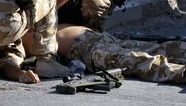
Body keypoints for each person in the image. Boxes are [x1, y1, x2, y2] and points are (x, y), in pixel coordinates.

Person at [55, 24, 186, 84]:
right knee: (138, 60)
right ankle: (182, 73)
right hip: (89, 52)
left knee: (159, 48)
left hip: (97, 37)